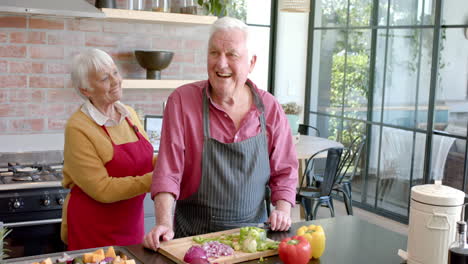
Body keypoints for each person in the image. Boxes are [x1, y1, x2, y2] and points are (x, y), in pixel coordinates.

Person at [143, 17, 298, 250]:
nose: (221, 64)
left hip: (252, 242)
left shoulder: (269, 108)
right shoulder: (182, 102)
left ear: (252, 63)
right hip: (192, 242)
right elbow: (168, 172)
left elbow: (285, 170)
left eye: (232, 55)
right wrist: (164, 223)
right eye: (214, 53)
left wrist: (283, 210)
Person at [61, 48, 155, 250]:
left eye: (115, 72)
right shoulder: (78, 127)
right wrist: (155, 179)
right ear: (86, 90)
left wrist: (173, 161)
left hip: (130, 222)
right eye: (105, 78)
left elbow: (146, 161)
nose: (115, 81)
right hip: (94, 227)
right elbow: (103, 189)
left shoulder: (128, 113)